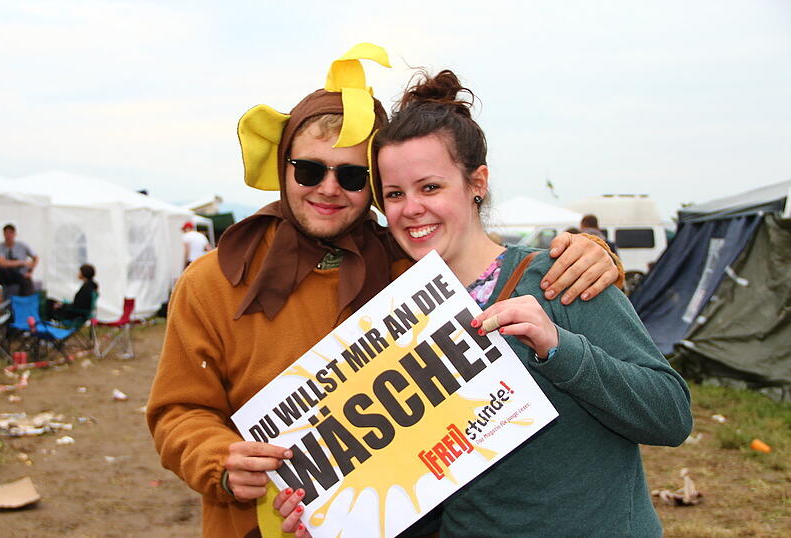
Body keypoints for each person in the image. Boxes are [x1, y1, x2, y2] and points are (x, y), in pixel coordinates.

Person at [146, 45, 621, 538]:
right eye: (309, 169)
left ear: (374, 185)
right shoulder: (213, 280)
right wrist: (220, 459)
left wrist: (588, 255)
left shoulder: (412, 267)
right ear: (284, 167)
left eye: (352, 176)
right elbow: (177, 410)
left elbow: (496, 266)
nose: (329, 188)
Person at [276, 70, 691, 537]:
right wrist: (333, 520)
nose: (411, 208)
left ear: (477, 183)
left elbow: (670, 417)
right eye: (394, 194)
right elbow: (432, 486)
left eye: (430, 187)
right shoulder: (402, 319)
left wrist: (559, 347)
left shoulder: (559, 276)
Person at [0, 224, 38, 296]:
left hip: (21, 276)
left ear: (15, 234)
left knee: (27, 283)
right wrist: (22, 263)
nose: (8, 236)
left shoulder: (22, 246)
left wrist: (30, 271)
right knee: (0, 270)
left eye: (10, 233)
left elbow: (36, 258)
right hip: (6, 277)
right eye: (6, 233)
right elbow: (2, 263)